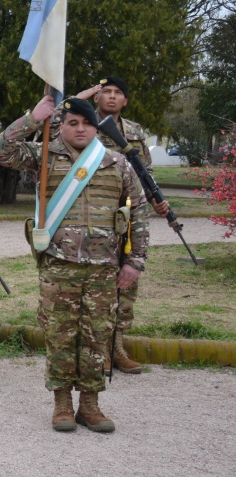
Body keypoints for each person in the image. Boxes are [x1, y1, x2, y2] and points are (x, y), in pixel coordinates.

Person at [0, 96, 149, 433]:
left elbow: (138, 213)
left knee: (96, 336)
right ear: (61, 125)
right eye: (72, 123)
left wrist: (135, 261)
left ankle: (90, 405)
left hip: (104, 267)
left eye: (87, 123)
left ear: (96, 126)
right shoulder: (43, 154)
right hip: (59, 265)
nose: (80, 129)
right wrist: (33, 117)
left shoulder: (116, 163)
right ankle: (61, 403)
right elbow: (0, 150)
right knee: (60, 335)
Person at [72, 76, 169, 375]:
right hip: (92, 212)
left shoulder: (135, 132)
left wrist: (155, 198)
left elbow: (144, 170)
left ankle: (116, 347)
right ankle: (87, 349)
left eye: (118, 93)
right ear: (97, 98)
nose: (112, 97)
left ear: (125, 100)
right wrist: (81, 97)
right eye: (106, 93)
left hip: (127, 216)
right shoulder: (83, 125)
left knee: (126, 282)